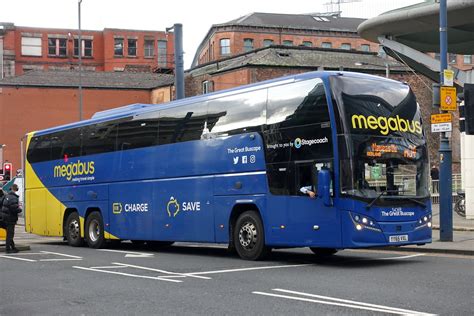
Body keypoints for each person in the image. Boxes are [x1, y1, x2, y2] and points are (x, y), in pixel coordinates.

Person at [0, 184, 22, 253]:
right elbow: (14, 208)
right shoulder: (13, 197)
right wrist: (20, 209)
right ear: (16, 189)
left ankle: (13, 247)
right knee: (10, 234)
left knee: (9, 233)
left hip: (4, 217)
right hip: (10, 218)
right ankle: (8, 249)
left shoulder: (6, 196)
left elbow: (1, 203)